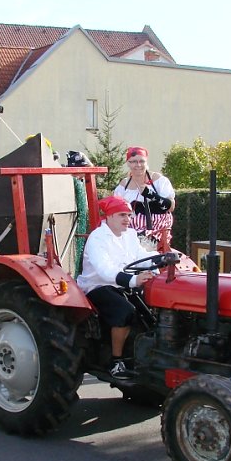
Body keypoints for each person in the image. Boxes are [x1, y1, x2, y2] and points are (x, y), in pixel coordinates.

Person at [76, 196, 160, 379]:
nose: (127, 219)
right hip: (98, 286)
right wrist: (134, 280)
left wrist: (160, 259)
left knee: (151, 311)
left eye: (129, 215)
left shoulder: (129, 235)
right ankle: (116, 362)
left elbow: (140, 256)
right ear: (109, 216)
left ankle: (147, 358)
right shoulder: (97, 238)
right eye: (122, 215)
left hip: (122, 284)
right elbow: (105, 270)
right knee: (124, 311)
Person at [113, 146, 176, 249]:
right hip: (130, 233)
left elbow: (171, 206)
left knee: (142, 248)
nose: (138, 165)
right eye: (133, 161)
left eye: (141, 161)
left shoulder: (159, 180)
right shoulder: (123, 186)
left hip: (157, 233)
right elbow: (116, 212)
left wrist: (150, 194)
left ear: (146, 162)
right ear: (128, 163)